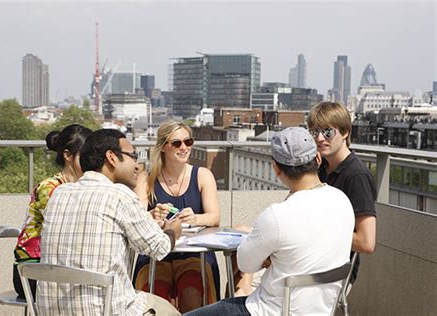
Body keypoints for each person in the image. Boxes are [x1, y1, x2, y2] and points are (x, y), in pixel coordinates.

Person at [185, 127, 355, 316]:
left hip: (268, 311)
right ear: (317, 158)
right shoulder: (342, 201)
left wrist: (270, 255)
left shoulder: (277, 215)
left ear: (275, 168)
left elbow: (245, 264)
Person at [37, 129, 182, 315]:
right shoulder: (120, 196)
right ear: (111, 157)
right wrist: (172, 231)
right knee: (171, 311)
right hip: (106, 310)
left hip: (52, 310)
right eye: (133, 156)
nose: (137, 165)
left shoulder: (59, 193)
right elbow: (158, 249)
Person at [132, 120, 221, 313]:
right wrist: (152, 215)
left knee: (192, 292)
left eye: (188, 142)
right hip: (156, 255)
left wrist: (195, 218)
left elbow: (214, 217)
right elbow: (137, 218)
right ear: (163, 147)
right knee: (156, 295)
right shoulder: (146, 179)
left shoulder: (202, 175)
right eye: (176, 143)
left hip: (194, 254)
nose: (184, 148)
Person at [12, 124, 92, 299]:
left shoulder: (83, 187)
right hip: (33, 270)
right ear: (67, 155)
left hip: (60, 267)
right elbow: (62, 228)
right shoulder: (49, 187)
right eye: (85, 154)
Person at [307, 101, 377, 289]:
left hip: (334, 272)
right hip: (310, 260)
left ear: (345, 132)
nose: (320, 138)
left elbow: (366, 242)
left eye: (328, 132)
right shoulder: (320, 168)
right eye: (314, 132)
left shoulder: (356, 176)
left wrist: (315, 231)